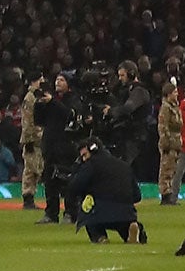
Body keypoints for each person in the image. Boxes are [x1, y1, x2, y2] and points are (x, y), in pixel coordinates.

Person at [68, 141, 148, 244]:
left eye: (84, 155)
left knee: (88, 212)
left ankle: (100, 237)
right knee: (123, 224)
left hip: (100, 212)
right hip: (126, 213)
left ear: (93, 150)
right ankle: (133, 230)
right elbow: (137, 196)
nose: (83, 159)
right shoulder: (124, 165)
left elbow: (75, 186)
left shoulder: (91, 165)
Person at [36, 73, 77, 225]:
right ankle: (51, 213)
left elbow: (69, 115)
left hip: (66, 145)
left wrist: (52, 102)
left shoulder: (73, 99)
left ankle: (70, 212)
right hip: (50, 145)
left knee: (68, 180)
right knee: (49, 179)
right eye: (56, 79)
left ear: (68, 84)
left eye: (61, 80)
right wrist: (39, 104)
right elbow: (38, 121)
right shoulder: (50, 99)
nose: (58, 82)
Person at [21, 75, 45, 209]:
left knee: (36, 168)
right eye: (39, 80)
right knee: (31, 169)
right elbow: (27, 120)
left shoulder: (37, 97)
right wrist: (28, 139)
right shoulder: (30, 98)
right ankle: (28, 198)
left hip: (39, 138)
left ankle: (30, 196)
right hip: (33, 139)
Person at [159, 80, 183, 205]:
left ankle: (170, 194)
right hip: (169, 143)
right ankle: (165, 195)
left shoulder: (175, 106)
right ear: (168, 94)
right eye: (174, 92)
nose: (177, 94)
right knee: (166, 169)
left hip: (176, 142)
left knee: (172, 169)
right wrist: (165, 143)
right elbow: (163, 127)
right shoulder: (166, 108)